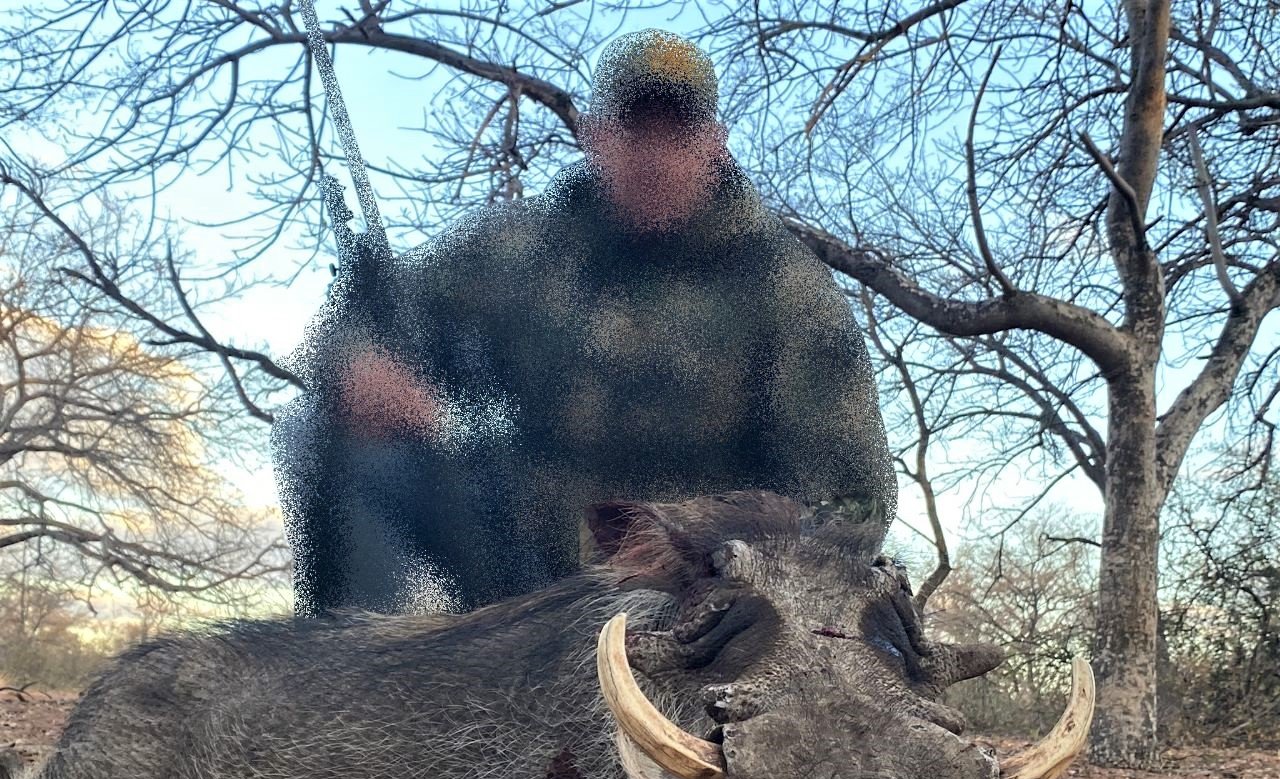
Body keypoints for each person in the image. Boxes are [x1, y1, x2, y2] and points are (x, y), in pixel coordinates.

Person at [274, 29, 897, 616]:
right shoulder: (526, 246)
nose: (655, 157)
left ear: (714, 144)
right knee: (326, 440)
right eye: (634, 132)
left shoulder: (784, 285)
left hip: (697, 590)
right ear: (596, 138)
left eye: (676, 134)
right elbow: (376, 310)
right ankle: (345, 686)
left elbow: (856, 497)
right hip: (519, 563)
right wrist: (361, 362)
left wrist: (695, 543)